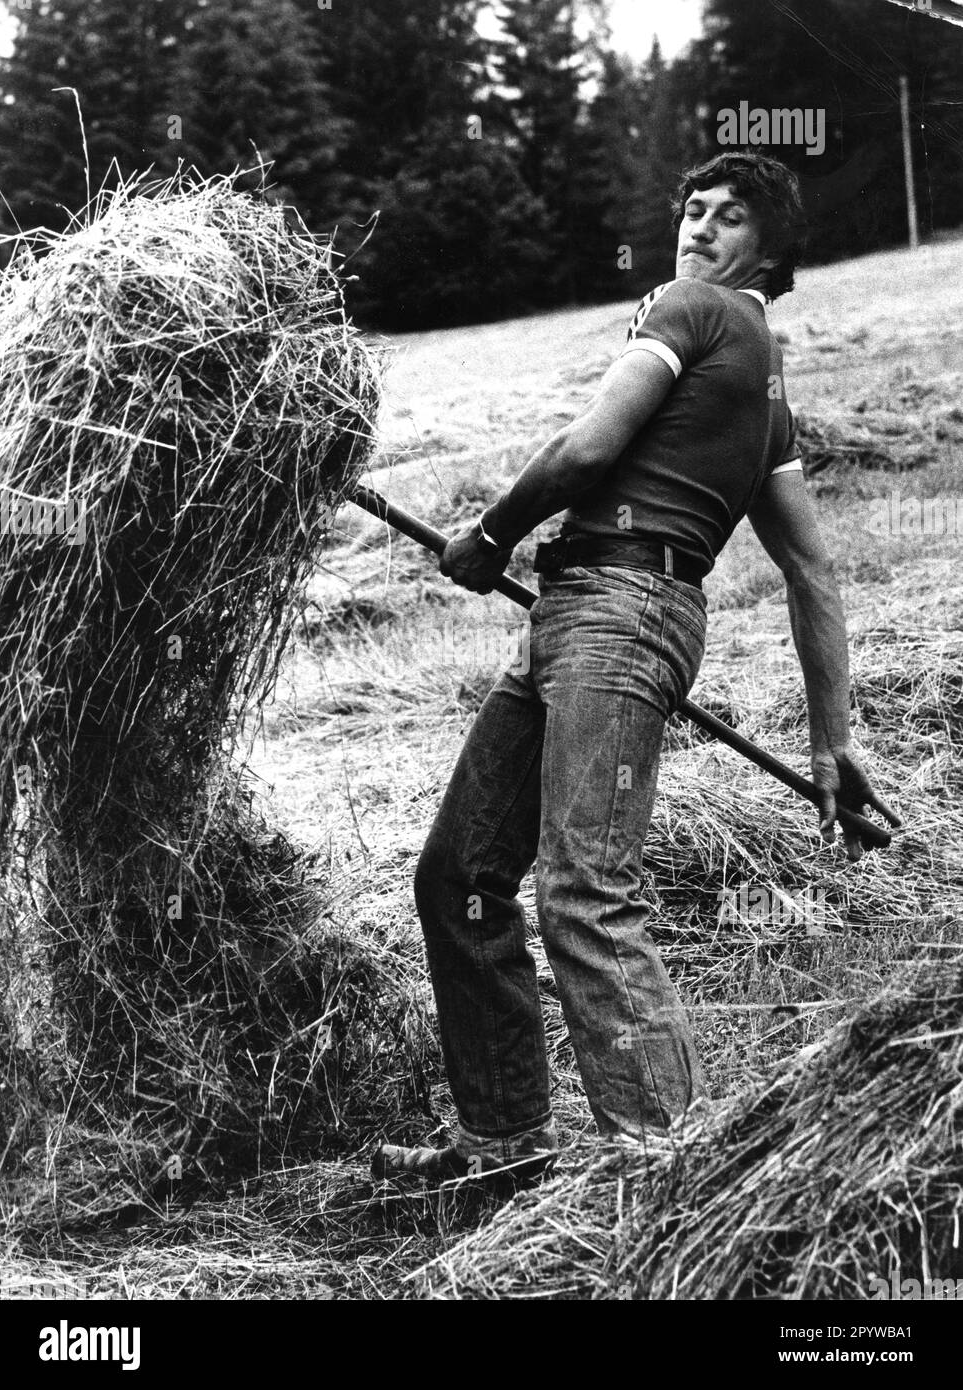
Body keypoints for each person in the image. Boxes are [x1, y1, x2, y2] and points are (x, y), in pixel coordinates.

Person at [372, 151, 900, 1189]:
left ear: (772, 248)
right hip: (589, 613)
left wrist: (487, 535)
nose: (696, 229)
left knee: (584, 895)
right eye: (690, 210)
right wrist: (833, 742)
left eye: (728, 216)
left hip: (620, 614)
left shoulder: (692, 310)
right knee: (462, 877)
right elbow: (810, 570)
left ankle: (688, 1186)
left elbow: (584, 449)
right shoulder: (764, 389)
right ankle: (505, 1144)